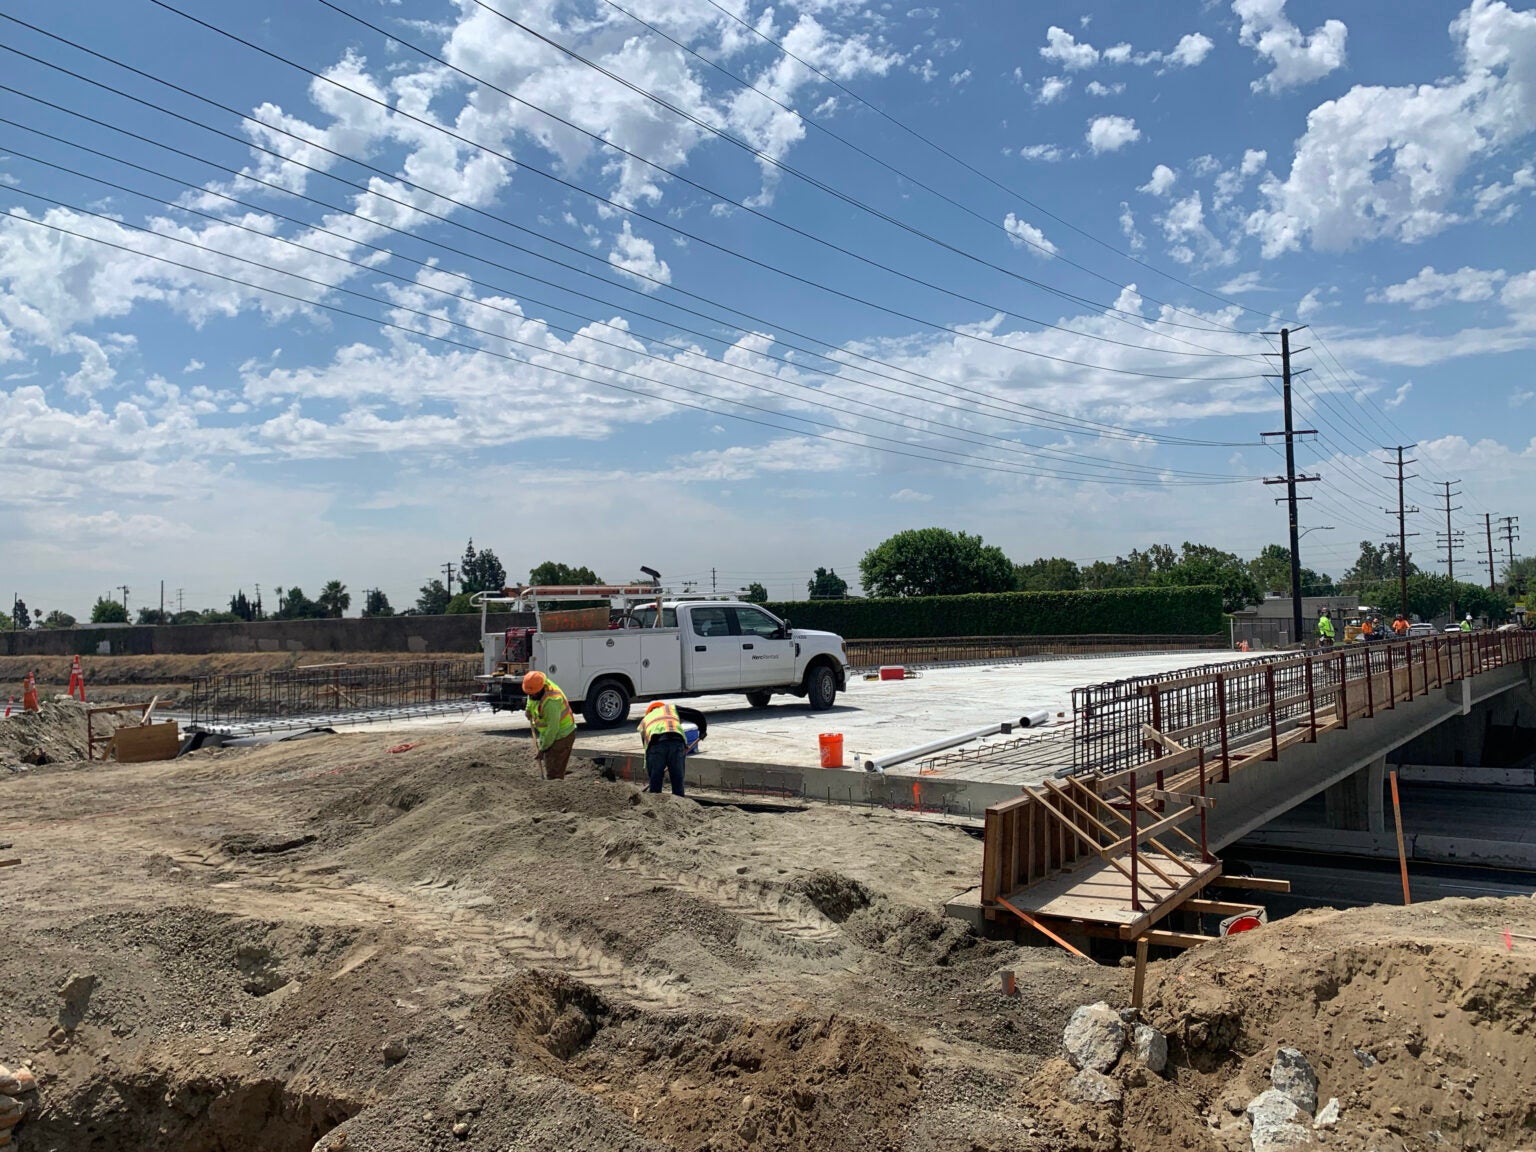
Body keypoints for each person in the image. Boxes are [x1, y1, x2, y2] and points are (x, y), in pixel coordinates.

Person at [523, 670, 576, 780]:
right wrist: (528, 709)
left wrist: (542, 749)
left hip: (562, 736)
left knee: (554, 775)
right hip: (550, 734)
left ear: (540, 689)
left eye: (533, 694)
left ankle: (557, 790)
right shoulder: (536, 688)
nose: (531, 696)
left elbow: (553, 729)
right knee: (551, 767)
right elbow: (531, 699)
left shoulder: (551, 701)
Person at [638, 700, 688, 797]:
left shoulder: (645, 721)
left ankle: (655, 802)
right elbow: (681, 737)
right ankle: (680, 804)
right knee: (678, 779)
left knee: (655, 782)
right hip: (677, 743)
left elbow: (647, 748)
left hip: (656, 746)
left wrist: (654, 770)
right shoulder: (670, 713)